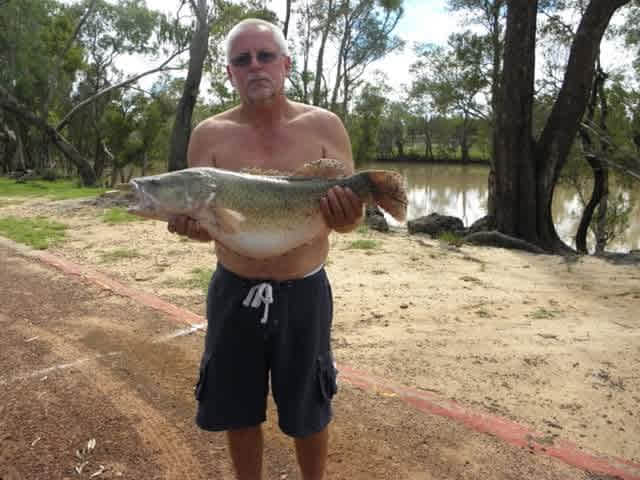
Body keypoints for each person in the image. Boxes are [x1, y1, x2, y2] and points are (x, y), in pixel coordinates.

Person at [167, 18, 363, 480]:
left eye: (265, 56)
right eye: (242, 59)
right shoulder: (208, 135)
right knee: (237, 406)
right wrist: (192, 229)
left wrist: (347, 213)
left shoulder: (325, 126)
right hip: (234, 290)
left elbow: (350, 221)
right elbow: (212, 226)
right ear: (230, 72)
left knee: (308, 406)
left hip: (305, 292)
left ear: (285, 64)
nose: (255, 66)